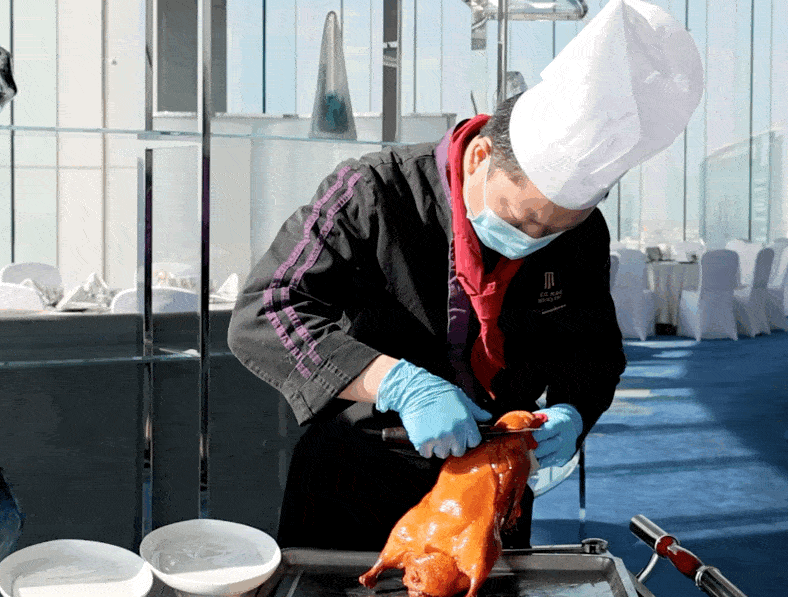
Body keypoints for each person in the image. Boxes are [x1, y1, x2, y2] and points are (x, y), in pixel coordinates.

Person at [228, 0, 703, 551]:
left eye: (554, 229)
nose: (534, 239)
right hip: (358, 480)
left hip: (494, 486)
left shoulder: (582, 233)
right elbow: (267, 310)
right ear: (479, 158)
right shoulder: (374, 192)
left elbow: (593, 351)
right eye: (523, 219)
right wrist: (397, 383)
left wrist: (573, 411)